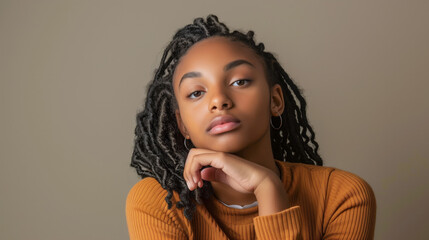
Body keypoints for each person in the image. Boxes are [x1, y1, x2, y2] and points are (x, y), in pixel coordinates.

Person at [126, 14, 376, 240]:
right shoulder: (157, 202)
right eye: (196, 93)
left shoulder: (341, 196)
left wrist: (269, 191)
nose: (218, 100)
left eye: (239, 81)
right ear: (183, 125)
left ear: (275, 101)